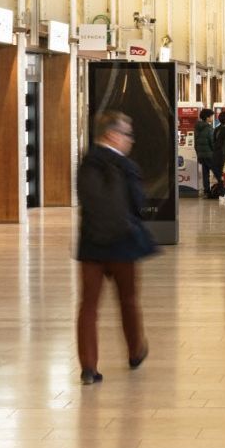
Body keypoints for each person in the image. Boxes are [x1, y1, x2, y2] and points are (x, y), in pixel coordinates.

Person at [75, 111, 157, 385]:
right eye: (127, 134)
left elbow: (86, 200)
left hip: (92, 245)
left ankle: (89, 367)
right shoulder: (126, 166)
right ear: (112, 134)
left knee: (88, 306)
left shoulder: (86, 163)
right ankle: (135, 351)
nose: (130, 140)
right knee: (128, 300)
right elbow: (138, 204)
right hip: (123, 244)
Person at [194, 108, 217, 197]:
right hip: (209, 154)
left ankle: (207, 192)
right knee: (217, 171)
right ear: (207, 118)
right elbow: (212, 142)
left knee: (205, 173)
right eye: (211, 116)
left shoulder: (197, 127)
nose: (212, 118)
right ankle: (222, 191)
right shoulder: (209, 128)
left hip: (201, 155)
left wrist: (198, 154)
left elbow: (196, 143)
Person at [212, 110, 225, 186]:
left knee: (219, 175)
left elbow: (214, 141)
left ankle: (221, 189)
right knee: (224, 174)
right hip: (224, 155)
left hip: (216, 154)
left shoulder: (216, 129)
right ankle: (224, 190)